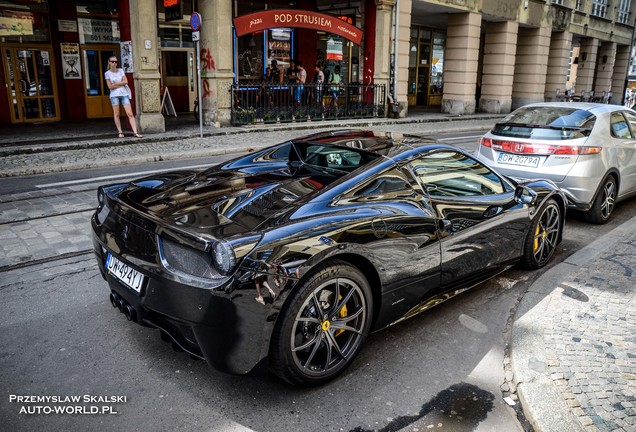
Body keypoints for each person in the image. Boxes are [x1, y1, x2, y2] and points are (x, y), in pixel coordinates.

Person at [104, 56, 142, 138]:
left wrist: (115, 84)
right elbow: (110, 87)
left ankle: (135, 132)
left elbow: (126, 81)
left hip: (124, 94)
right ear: (109, 62)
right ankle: (120, 132)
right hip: (114, 95)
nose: (114, 63)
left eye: (116, 62)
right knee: (116, 114)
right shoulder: (107, 73)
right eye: (112, 61)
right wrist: (120, 83)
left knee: (130, 113)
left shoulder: (121, 70)